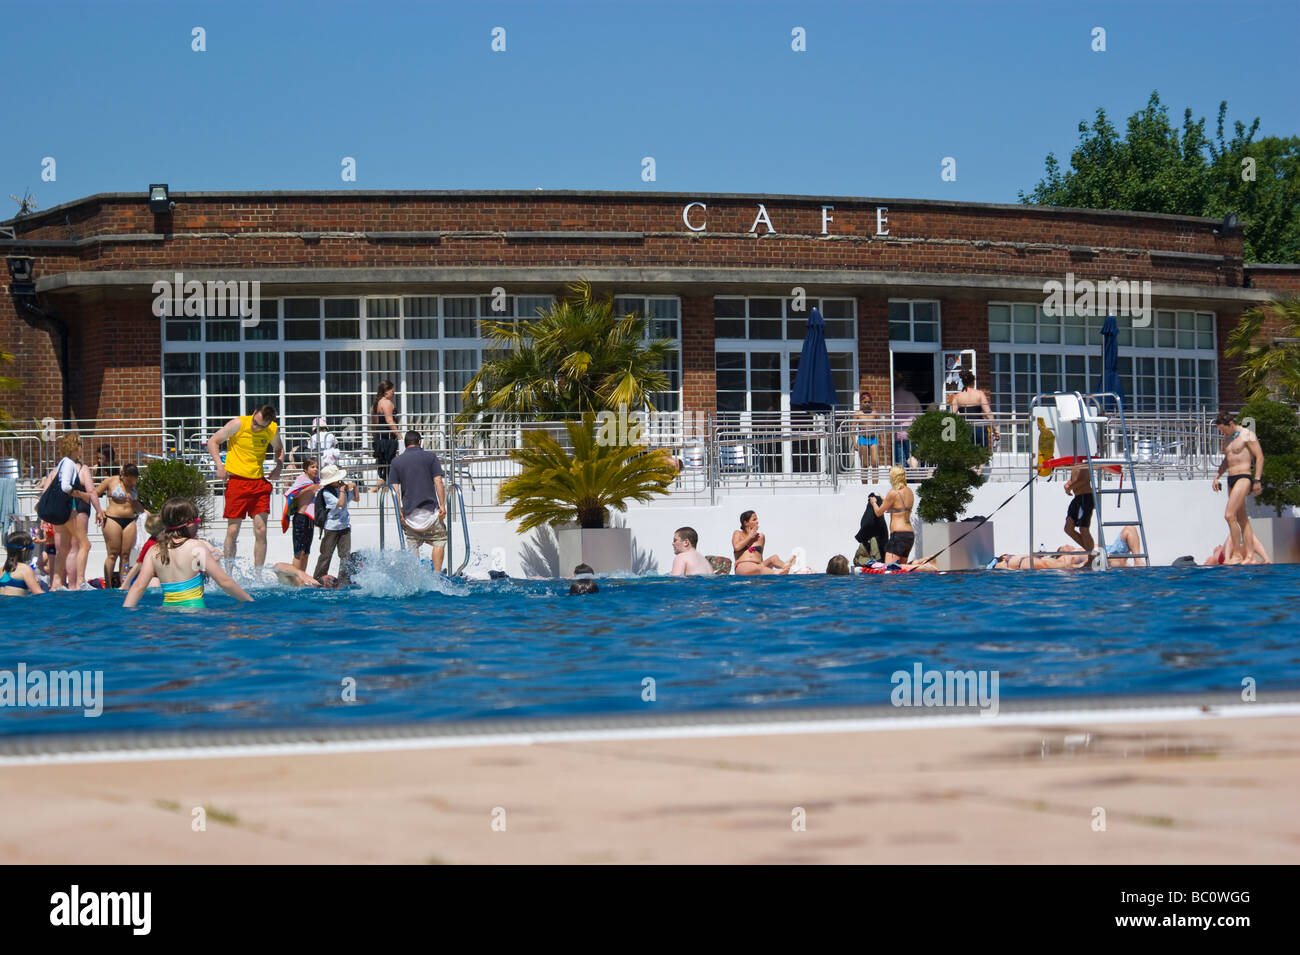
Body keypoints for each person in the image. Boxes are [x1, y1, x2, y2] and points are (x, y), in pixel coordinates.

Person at [123, 498, 253, 608]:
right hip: (194, 610)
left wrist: (126, 614)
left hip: (166, 612)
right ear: (189, 523)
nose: (198, 525)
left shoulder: (154, 551)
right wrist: (249, 602)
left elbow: (138, 587)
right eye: (197, 521)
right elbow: (224, 582)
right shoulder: (197, 547)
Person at [208, 405, 284, 568]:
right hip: (237, 482)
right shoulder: (239, 424)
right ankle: (229, 573)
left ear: (268, 423)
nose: (255, 427)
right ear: (254, 413)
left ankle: (258, 577)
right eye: (255, 422)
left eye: (260, 426)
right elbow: (213, 441)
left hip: (258, 483)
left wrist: (278, 467)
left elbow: (279, 448)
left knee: (261, 530)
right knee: (233, 530)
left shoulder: (271, 429)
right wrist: (219, 466)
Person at [37, 433, 104, 590]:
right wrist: (97, 509)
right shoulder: (79, 468)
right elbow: (91, 491)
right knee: (81, 546)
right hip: (74, 509)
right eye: (80, 444)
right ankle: (76, 584)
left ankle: (56, 584)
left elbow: (45, 492)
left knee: (63, 548)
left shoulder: (57, 467)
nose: (82, 447)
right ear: (75, 446)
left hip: (58, 511)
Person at [387, 430, 449, 571]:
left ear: (405, 444)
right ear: (419, 442)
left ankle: (416, 577)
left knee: (413, 544)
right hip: (431, 513)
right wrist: (442, 505)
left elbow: (394, 489)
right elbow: (438, 481)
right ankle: (437, 576)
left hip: (409, 516)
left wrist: (399, 511)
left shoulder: (396, 462)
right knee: (439, 539)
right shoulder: (430, 457)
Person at [1211, 410, 1268, 564]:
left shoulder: (1247, 434)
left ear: (1230, 424)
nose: (1222, 432)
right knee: (1242, 519)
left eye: (1223, 429)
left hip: (1244, 477)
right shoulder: (1227, 438)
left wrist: (1257, 480)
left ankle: (1236, 554)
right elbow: (1227, 460)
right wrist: (1217, 476)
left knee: (1229, 515)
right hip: (1231, 478)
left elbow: (1260, 456)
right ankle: (1250, 556)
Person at [96, 463, 145, 588]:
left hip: (129, 520)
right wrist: (99, 510)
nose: (130, 483)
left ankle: (124, 583)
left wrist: (147, 513)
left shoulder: (133, 486)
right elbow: (94, 494)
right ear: (123, 475)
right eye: (128, 480)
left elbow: (134, 503)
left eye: (133, 481)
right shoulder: (111, 481)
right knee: (113, 553)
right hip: (113, 518)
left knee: (126, 555)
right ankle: (108, 585)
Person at [313, 465, 356, 582]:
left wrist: (355, 487)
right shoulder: (326, 493)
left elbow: (356, 498)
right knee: (326, 554)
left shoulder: (342, 490)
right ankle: (319, 577)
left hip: (344, 526)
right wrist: (343, 490)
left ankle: (344, 579)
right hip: (331, 527)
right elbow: (341, 503)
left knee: (345, 555)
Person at [870, 466, 915, 563]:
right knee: (902, 572)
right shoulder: (909, 491)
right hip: (909, 535)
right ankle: (921, 563)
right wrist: (885, 500)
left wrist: (873, 502)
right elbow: (900, 509)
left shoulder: (893, 493)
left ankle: (923, 564)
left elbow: (878, 513)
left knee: (890, 569)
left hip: (898, 535)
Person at [286, 458, 321, 572]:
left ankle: (303, 576)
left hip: (310, 519)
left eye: (316, 467)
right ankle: (296, 578)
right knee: (298, 551)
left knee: (306, 551)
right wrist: (309, 489)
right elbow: (291, 494)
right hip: (300, 517)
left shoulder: (317, 481)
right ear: (305, 469)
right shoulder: (301, 480)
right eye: (312, 467)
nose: (315, 469)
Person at [947, 371, 999, 449]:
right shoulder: (979, 394)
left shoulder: (957, 396)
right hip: (979, 427)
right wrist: (995, 429)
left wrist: (950, 433)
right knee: (981, 454)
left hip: (964, 427)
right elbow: (988, 413)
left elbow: (952, 415)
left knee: (966, 454)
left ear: (963, 382)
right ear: (973, 382)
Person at [731, 510, 792, 575]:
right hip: (742, 565)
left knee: (774, 558)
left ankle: (786, 566)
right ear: (746, 523)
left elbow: (760, 556)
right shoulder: (738, 533)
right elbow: (736, 547)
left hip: (758, 565)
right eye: (754, 520)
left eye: (757, 519)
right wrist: (749, 536)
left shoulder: (760, 537)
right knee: (758, 568)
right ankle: (777, 573)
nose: (757, 522)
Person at [121, 513, 165, 591]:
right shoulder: (149, 544)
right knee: (154, 584)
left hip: (168, 575)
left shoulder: (170, 541)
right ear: (162, 531)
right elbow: (138, 565)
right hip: (154, 577)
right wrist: (125, 584)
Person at [370, 380, 401, 487]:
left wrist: (375, 438)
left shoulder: (375, 404)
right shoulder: (386, 403)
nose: (394, 393)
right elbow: (389, 420)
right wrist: (399, 435)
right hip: (387, 438)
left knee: (384, 464)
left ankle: (385, 486)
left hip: (380, 437)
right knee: (391, 463)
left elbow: (373, 424)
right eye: (393, 391)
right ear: (386, 391)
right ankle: (391, 486)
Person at [1063, 463, 1095, 553]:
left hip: (1086, 497)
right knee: (1068, 528)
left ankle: (1091, 556)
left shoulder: (1084, 462)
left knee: (1083, 529)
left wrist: (1069, 488)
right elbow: (1073, 480)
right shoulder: (1075, 464)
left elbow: (1083, 480)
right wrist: (1067, 485)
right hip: (1077, 498)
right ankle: (1091, 553)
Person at [892, 373, 922, 468]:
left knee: (901, 460)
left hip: (897, 432)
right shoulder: (911, 396)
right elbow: (920, 412)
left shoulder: (892, 397)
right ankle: (914, 478)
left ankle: (903, 479)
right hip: (910, 431)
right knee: (912, 457)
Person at [1, 531, 43, 596]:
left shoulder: (2, 569)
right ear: (23, 549)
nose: (31, 551)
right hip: (17, 605)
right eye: (31, 547)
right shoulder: (25, 569)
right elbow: (39, 593)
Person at [854, 492, 889, 567]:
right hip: (880, 559)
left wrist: (873, 503)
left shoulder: (868, 519)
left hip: (872, 559)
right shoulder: (881, 524)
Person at [854, 392, 882, 483]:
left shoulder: (874, 413)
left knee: (875, 462)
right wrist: (854, 442)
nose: (867, 404)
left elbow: (880, 427)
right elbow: (852, 429)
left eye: (869, 402)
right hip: (863, 438)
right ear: (861, 402)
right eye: (865, 402)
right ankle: (865, 485)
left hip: (873, 438)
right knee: (865, 464)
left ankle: (875, 484)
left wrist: (881, 441)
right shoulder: (858, 414)